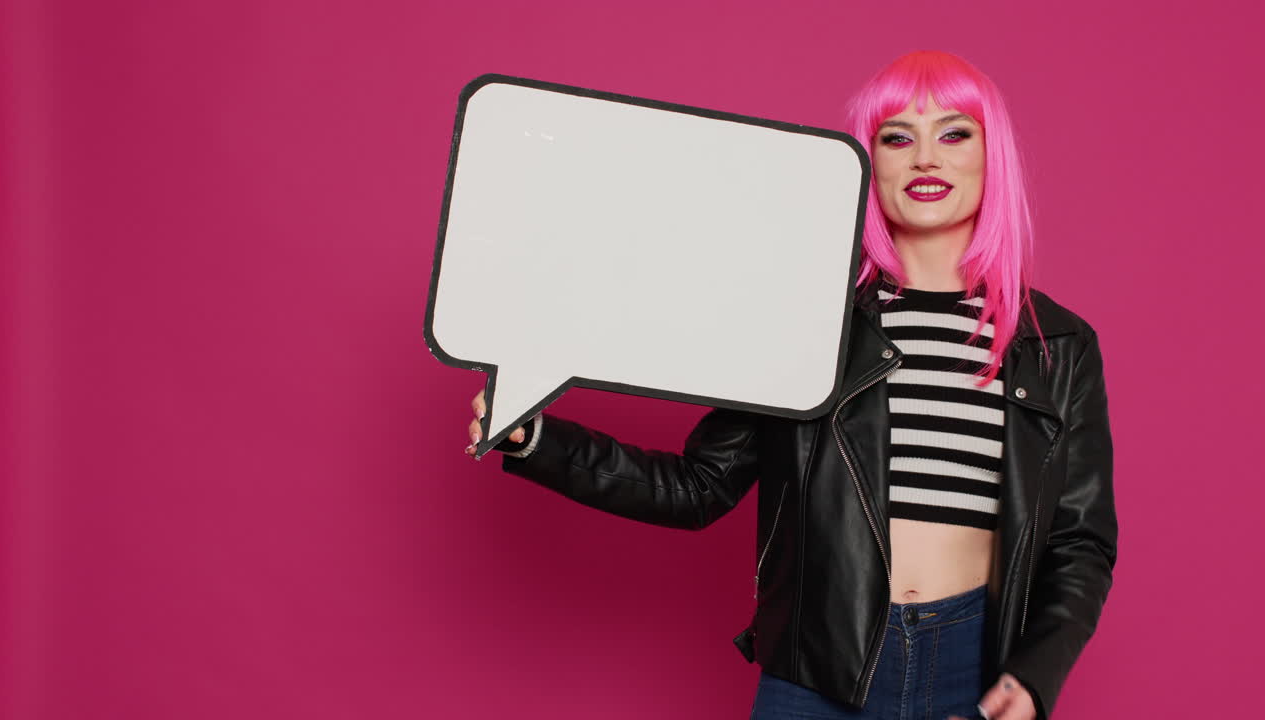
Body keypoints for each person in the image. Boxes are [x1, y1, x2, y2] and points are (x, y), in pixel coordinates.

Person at [463, 49, 1117, 720]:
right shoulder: (802, 323)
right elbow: (698, 486)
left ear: (992, 156)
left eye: (954, 133)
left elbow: (1080, 544)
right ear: (868, 162)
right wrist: (535, 439)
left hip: (973, 672)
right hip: (816, 672)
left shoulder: (1056, 347)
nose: (926, 157)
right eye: (897, 136)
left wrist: (1033, 678)